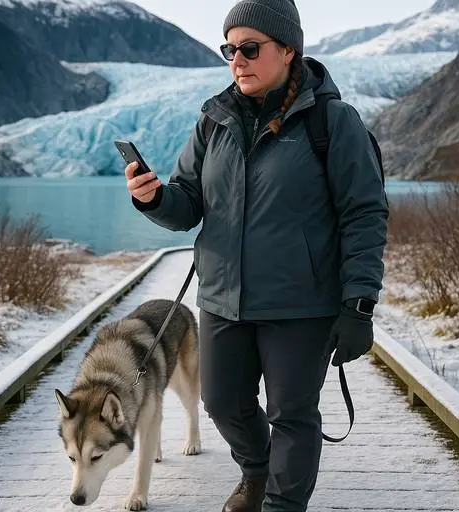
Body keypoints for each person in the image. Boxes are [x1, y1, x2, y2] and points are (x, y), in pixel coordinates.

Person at [125, 1, 389, 510]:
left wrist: (359, 304)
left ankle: (280, 504)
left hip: (301, 303)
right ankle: (256, 471)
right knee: (221, 403)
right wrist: (155, 199)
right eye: (229, 50)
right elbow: (187, 202)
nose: (237, 60)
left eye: (249, 48)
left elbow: (364, 214)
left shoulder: (332, 121)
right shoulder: (214, 120)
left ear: (288, 50)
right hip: (224, 300)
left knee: (292, 416)